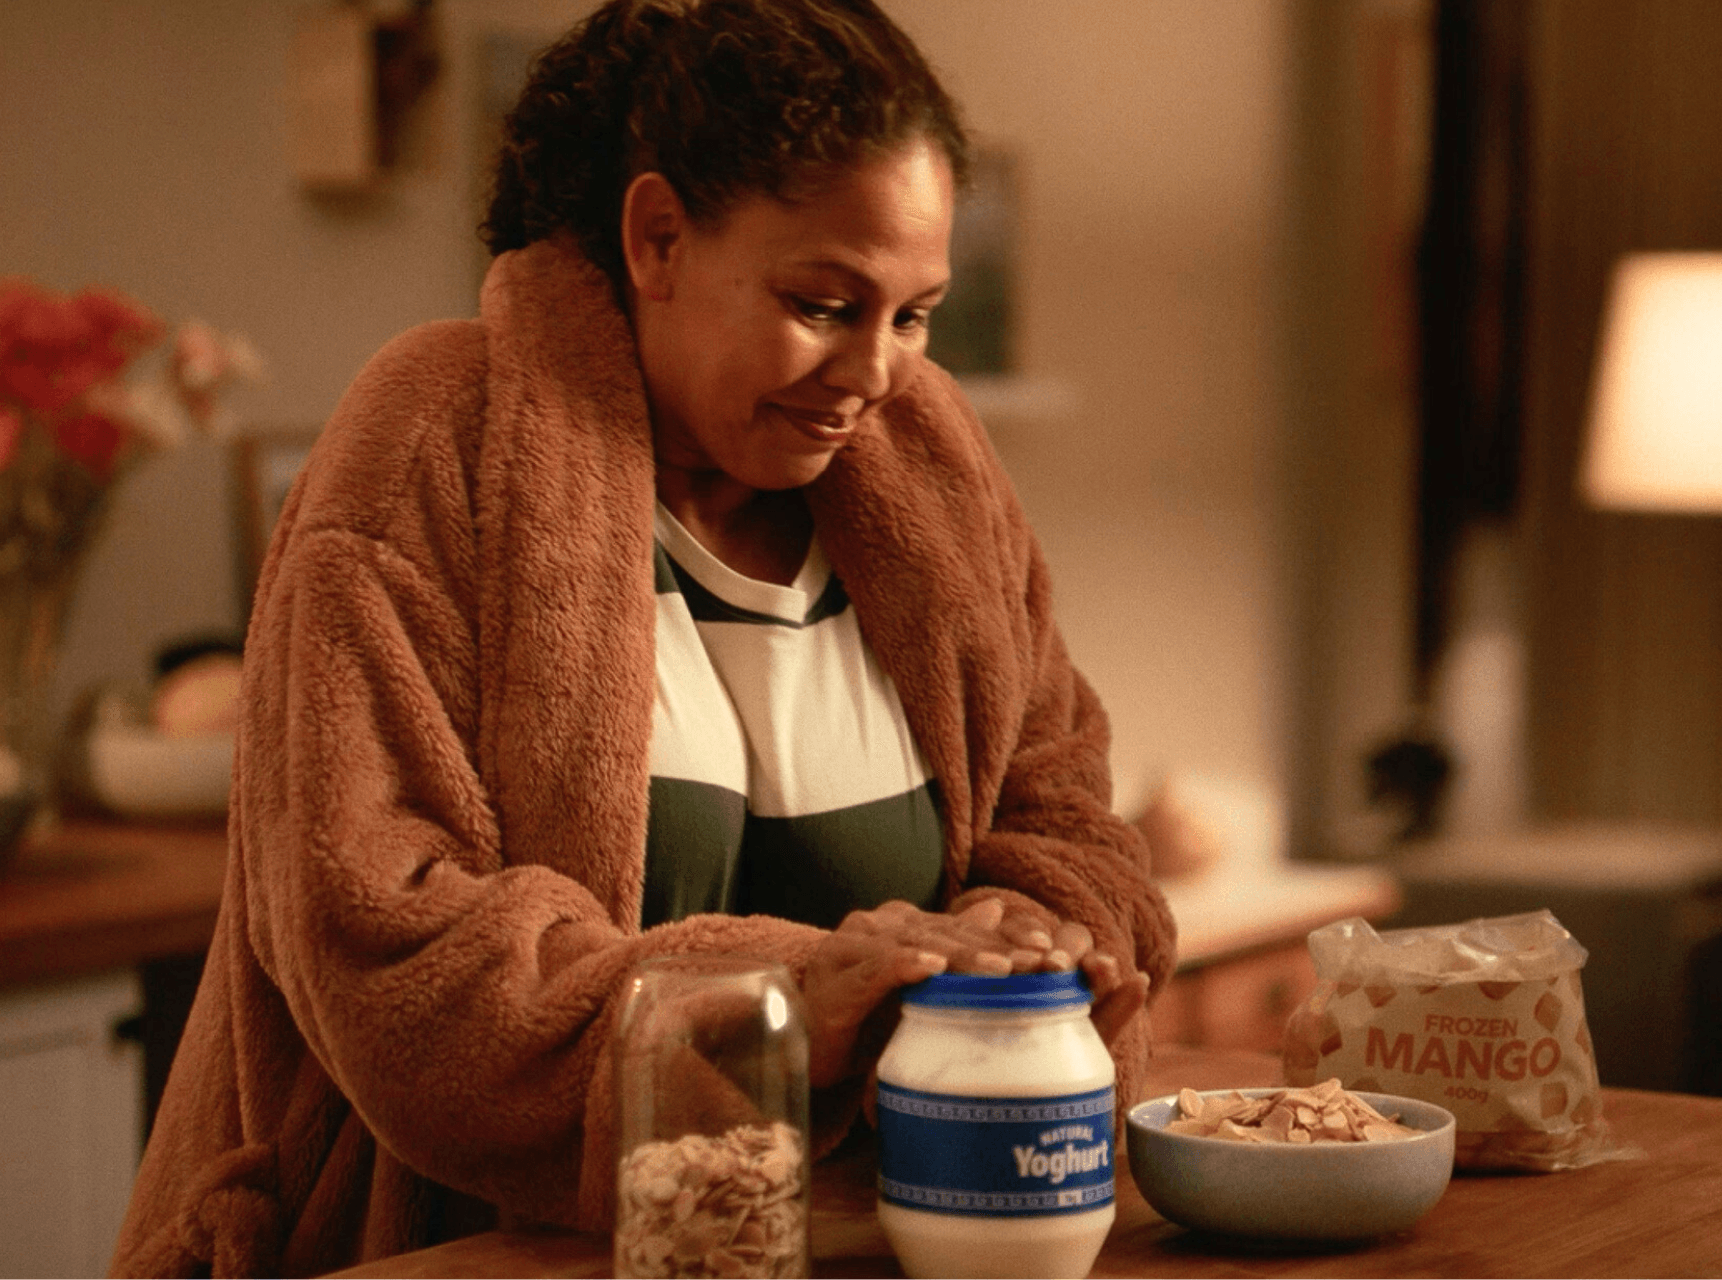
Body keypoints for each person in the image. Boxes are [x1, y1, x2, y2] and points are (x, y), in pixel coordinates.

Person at [112, 2, 1175, 1274]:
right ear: (657, 236)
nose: (878, 372)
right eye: (825, 301)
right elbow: (386, 947)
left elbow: (1070, 821)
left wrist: (1020, 945)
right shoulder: (430, 443)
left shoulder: (930, 471)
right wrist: (807, 993)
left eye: (914, 314)